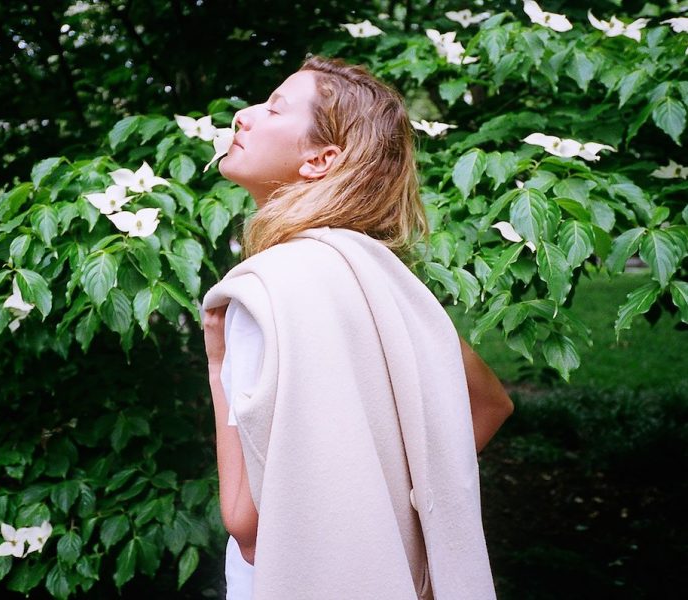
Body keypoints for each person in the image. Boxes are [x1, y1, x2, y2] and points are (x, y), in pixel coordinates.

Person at [202, 56, 513, 600]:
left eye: (274, 108)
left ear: (320, 159)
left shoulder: (268, 291)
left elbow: (248, 529)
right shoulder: (378, 273)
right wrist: (397, 507)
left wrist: (216, 363)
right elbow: (490, 402)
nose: (243, 116)